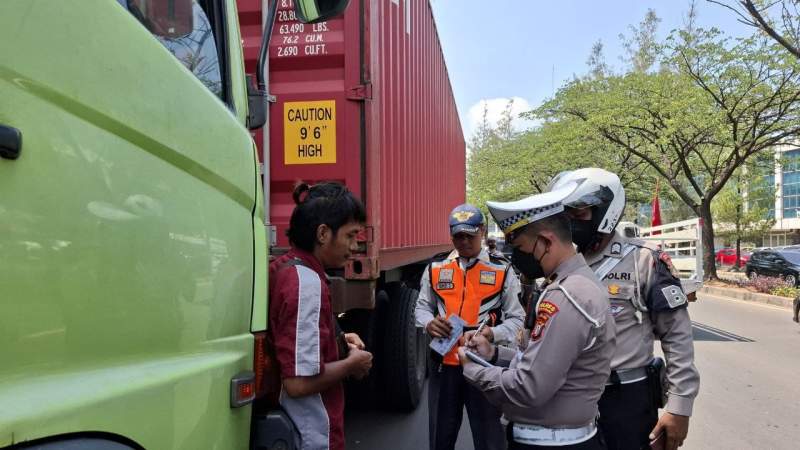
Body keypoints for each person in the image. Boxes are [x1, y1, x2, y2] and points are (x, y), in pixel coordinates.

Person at [547, 168, 700, 450]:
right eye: (564, 214)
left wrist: (680, 406)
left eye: (579, 213)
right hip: (566, 397)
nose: (570, 222)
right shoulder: (554, 262)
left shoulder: (644, 259)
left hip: (625, 401)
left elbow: (677, 337)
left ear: (607, 209)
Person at [461, 185, 616, 450]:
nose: (520, 258)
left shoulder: (568, 295)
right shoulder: (572, 284)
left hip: (551, 443)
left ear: (546, 241)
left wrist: (474, 370)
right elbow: (545, 358)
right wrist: (494, 354)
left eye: (522, 247)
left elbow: (529, 386)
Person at [268, 182, 373, 450]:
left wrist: (338, 340)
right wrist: (353, 364)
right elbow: (298, 383)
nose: (354, 246)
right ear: (323, 233)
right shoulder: (306, 284)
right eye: (350, 236)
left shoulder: (287, 268)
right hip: (312, 433)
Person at [415, 204, 525, 450]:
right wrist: (428, 323)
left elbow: (517, 319)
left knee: (489, 439)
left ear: (483, 232)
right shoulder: (435, 268)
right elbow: (421, 308)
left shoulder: (502, 269)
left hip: (483, 365)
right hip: (444, 364)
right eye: (457, 236)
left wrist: (493, 333)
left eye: (470, 235)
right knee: (440, 437)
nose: (463, 241)